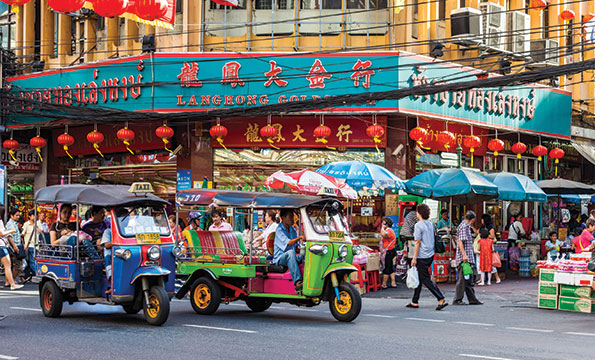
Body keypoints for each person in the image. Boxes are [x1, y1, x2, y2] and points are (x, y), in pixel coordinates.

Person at [407, 204, 448, 310]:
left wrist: (414, 258)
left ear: (419, 213)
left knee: (425, 278)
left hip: (422, 255)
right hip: (430, 253)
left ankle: (440, 298)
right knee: (420, 277)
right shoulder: (431, 224)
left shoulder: (418, 225)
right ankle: (414, 301)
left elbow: (417, 242)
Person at [453, 210, 482, 306]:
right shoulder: (464, 226)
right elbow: (460, 241)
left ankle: (472, 299)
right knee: (462, 279)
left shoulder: (465, 226)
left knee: (468, 279)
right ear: (472, 219)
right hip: (464, 258)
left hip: (467, 257)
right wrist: (464, 255)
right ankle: (457, 299)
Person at [274, 208, 304, 292]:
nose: (292, 219)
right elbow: (289, 243)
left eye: (293, 216)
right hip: (280, 258)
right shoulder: (279, 230)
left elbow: (296, 247)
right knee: (290, 253)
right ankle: (297, 281)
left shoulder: (292, 230)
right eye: (290, 216)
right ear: (283, 217)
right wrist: (300, 237)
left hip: (292, 256)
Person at [0, 213, 23, 290]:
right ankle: (12, 284)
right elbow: (1, 233)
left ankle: (11, 283)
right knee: (8, 265)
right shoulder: (3, 222)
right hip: (1, 245)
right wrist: (10, 230)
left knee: (8, 265)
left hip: (2, 245)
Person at [480, 214, 501, 284]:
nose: (481, 220)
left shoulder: (490, 227)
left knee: (491, 264)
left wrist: (484, 235)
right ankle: (483, 279)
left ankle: (497, 277)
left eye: (482, 219)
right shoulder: (483, 227)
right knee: (486, 265)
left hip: (488, 247)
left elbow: (492, 236)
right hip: (486, 248)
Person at [6, 209, 24, 284]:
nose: (18, 217)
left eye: (18, 215)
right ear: (11, 215)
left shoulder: (14, 223)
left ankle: (10, 281)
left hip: (16, 245)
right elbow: (9, 236)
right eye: (16, 215)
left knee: (13, 265)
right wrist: (14, 246)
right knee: (17, 265)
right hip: (13, 247)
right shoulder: (11, 224)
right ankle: (12, 280)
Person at [379, 217, 397, 289]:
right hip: (390, 251)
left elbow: (384, 235)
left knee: (386, 268)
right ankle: (393, 283)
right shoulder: (389, 230)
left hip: (389, 251)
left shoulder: (389, 231)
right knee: (390, 268)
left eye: (383, 223)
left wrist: (382, 228)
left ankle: (384, 284)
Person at [21, 210, 37, 282]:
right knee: (32, 262)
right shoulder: (26, 224)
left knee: (31, 262)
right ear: (29, 217)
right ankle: (38, 274)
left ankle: (24, 276)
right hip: (30, 246)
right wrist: (24, 244)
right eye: (33, 215)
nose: (34, 217)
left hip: (37, 246)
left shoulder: (37, 224)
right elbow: (22, 234)